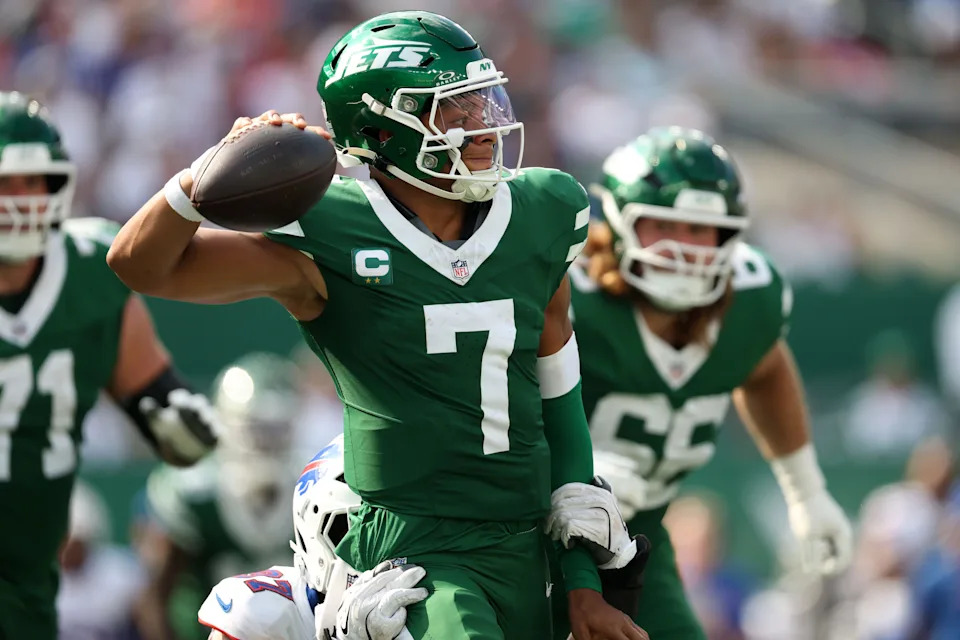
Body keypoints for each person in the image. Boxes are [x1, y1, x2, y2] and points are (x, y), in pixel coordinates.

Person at [107, 10, 643, 640]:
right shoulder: (329, 230)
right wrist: (197, 185)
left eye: (482, 99)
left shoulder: (543, 211)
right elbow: (141, 266)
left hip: (529, 541)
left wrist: (582, 579)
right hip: (417, 551)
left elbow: (560, 403)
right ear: (383, 130)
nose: (484, 124)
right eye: (453, 110)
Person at [558, 126, 853, 639]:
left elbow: (765, 368)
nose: (686, 249)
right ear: (620, 223)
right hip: (535, 534)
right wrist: (582, 477)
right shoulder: (569, 294)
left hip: (640, 538)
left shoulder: (748, 301)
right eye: (665, 227)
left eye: (702, 230)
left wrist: (806, 490)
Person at [0, 91, 219, 640]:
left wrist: (185, 426)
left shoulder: (90, 274)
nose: (19, 200)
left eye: (33, 182)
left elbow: (162, 411)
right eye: (4, 182)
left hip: (28, 571)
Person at [136, 353, 303, 640]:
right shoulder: (193, 492)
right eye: (258, 429)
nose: (269, 441)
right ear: (230, 424)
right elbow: (154, 599)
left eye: (277, 429)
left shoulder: (308, 488)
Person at [199, 434, 428, 640]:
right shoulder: (261, 611)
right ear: (316, 527)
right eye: (361, 530)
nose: (386, 550)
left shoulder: (429, 609)